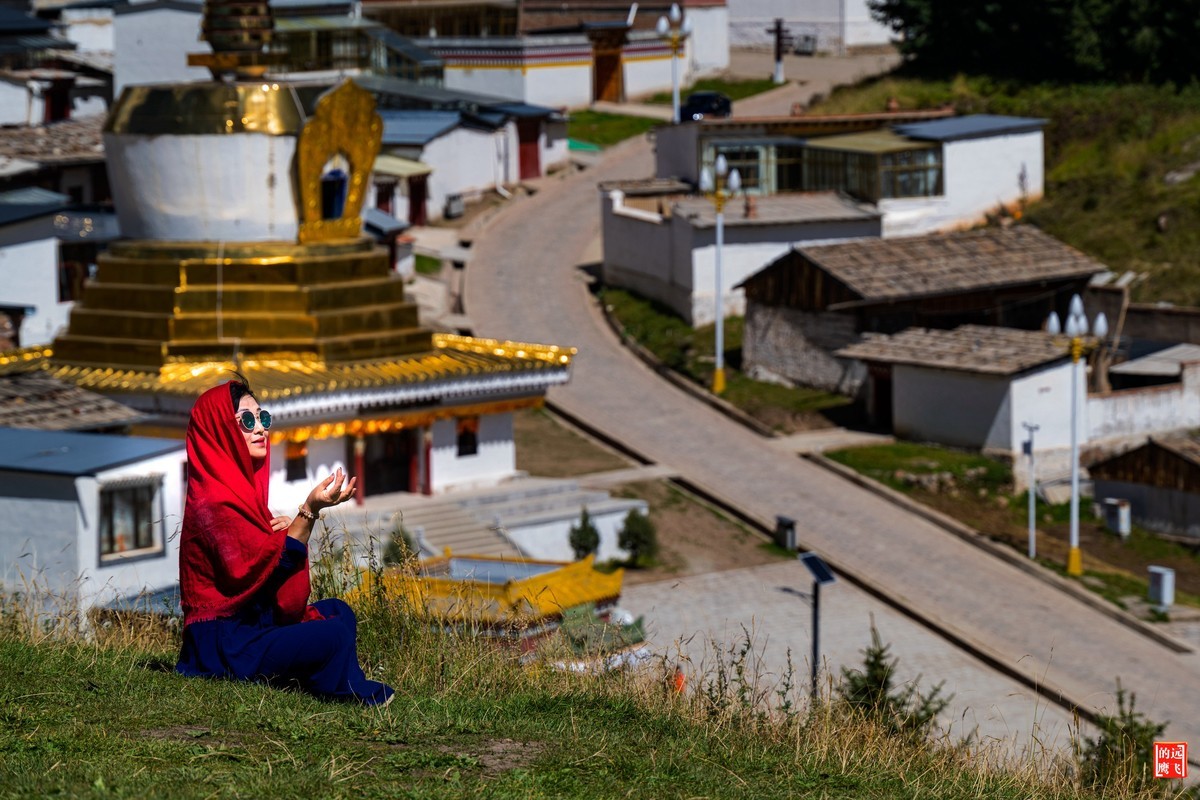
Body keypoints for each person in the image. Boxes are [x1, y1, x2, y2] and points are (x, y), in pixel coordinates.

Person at [175, 379, 394, 707]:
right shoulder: (216, 502)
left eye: (262, 418)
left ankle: (308, 676)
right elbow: (249, 573)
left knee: (339, 611)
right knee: (332, 635)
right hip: (224, 644)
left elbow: (263, 566)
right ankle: (347, 692)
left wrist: (281, 533)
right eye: (246, 422)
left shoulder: (238, 493)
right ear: (219, 432)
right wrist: (308, 512)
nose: (260, 429)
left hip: (248, 625)